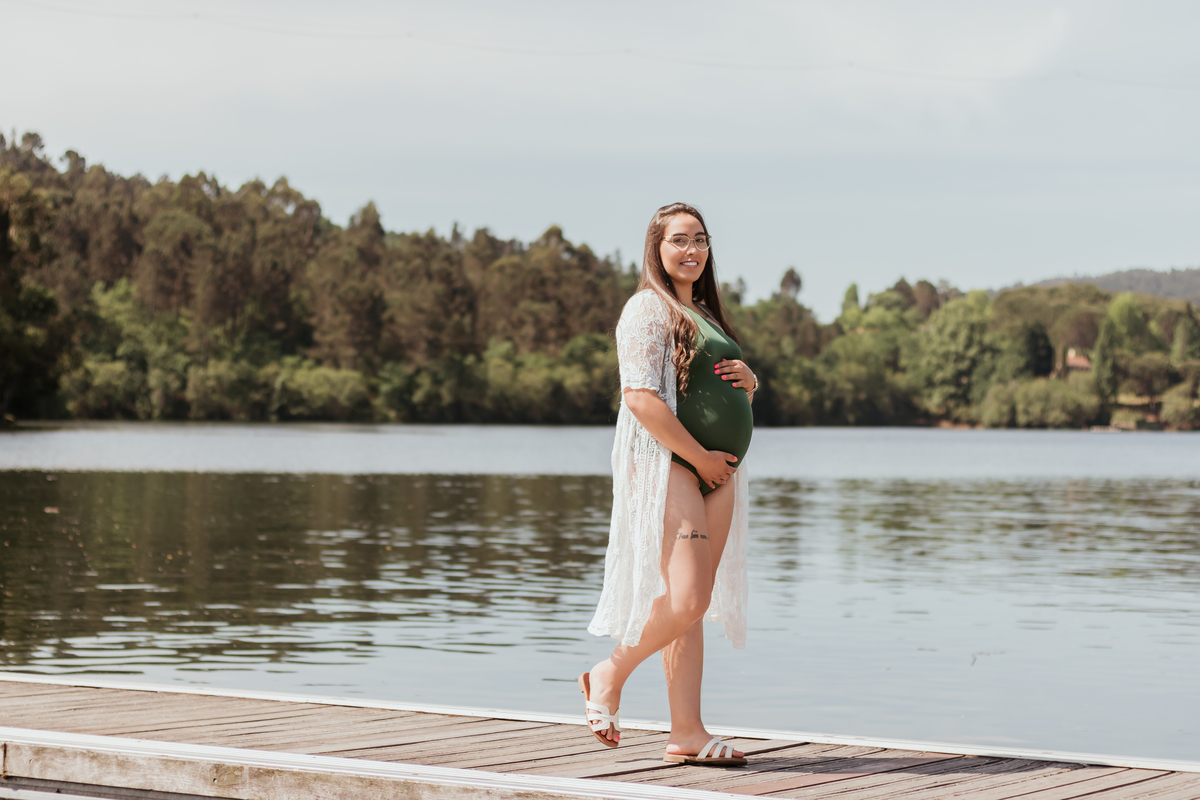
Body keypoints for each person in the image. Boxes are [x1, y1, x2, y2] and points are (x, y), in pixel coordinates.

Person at [581, 202, 757, 767]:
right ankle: (609, 673)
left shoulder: (703, 311)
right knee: (686, 597)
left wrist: (749, 383)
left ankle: (687, 732)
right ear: (656, 248)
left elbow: (709, 384)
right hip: (673, 464)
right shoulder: (645, 309)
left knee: (689, 605)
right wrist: (700, 457)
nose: (692, 250)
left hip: (716, 471)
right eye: (679, 240)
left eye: (701, 240)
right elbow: (639, 398)